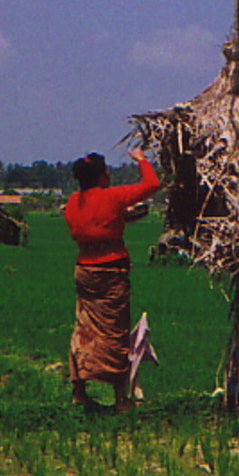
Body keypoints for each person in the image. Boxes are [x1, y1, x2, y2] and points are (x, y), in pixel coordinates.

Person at [63, 147, 161, 410]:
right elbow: (152, 184)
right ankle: (120, 398)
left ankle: (79, 391)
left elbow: (90, 225)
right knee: (115, 332)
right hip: (112, 271)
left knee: (83, 327)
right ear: (102, 176)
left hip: (84, 269)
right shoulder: (114, 197)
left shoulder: (73, 202)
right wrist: (141, 160)